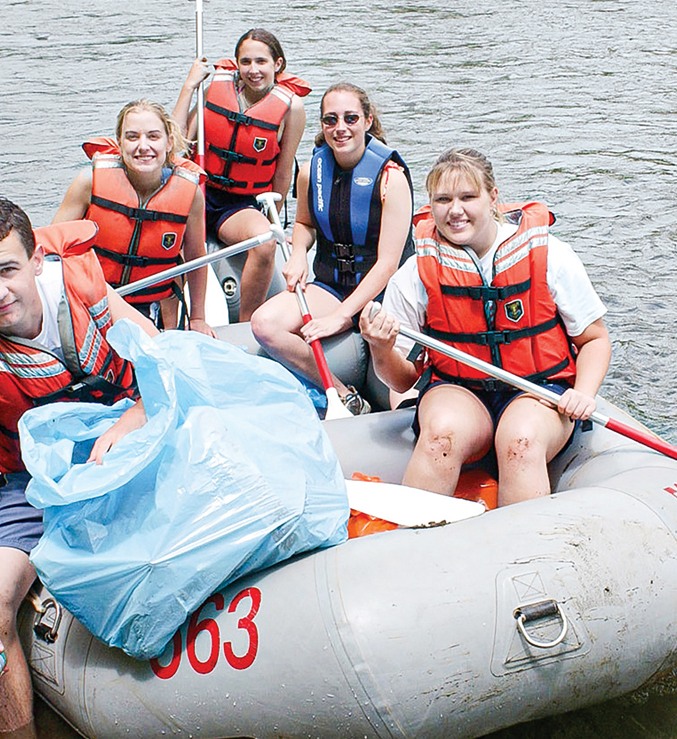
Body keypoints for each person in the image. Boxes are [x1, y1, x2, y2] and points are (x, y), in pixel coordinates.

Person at [0, 195, 158, 739]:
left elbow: (161, 370)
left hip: (125, 445)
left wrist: (129, 422)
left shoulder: (82, 288)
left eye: (7, 269)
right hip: (32, 479)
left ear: (34, 260)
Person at [360, 149, 611, 507]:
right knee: (439, 438)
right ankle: (413, 545)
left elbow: (595, 340)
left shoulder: (551, 255)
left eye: (467, 197)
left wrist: (584, 392)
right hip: (460, 390)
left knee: (520, 443)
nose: (455, 210)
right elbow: (401, 381)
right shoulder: (416, 273)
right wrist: (380, 348)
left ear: (493, 197)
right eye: (443, 200)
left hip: (536, 390)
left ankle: (526, 552)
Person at [250, 83, 414, 409]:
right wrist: (298, 253)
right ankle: (343, 393)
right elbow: (304, 224)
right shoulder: (312, 172)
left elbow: (388, 264)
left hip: (387, 293)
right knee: (264, 324)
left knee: (403, 396)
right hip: (333, 285)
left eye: (350, 118)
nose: (340, 128)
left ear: (368, 121)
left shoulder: (390, 179)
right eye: (330, 120)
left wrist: (341, 317)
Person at [173, 29, 308, 321]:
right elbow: (177, 142)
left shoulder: (291, 109)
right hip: (200, 194)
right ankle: (178, 318)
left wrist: (274, 220)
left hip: (240, 205)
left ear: (278, 64)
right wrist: (189, 86)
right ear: (236, 64)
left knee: (264, 243)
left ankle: (246, 323)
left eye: (261, 61)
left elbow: (284, 171)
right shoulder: (214, 89)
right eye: (245, 61)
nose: (253, 70)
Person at [54, 99, 214, 335]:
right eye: (132, 137)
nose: (143, 146)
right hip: (91, 299)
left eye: (153, 136)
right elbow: (54, 249)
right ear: (119, 143)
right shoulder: (89, 182)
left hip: (147, 304)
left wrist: (198, 317)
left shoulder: (190, 194)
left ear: (169, 142)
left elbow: (196, 257)